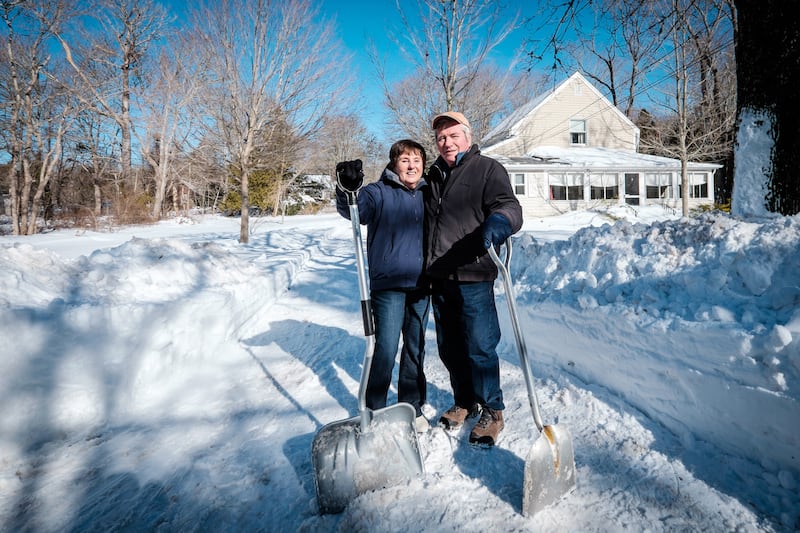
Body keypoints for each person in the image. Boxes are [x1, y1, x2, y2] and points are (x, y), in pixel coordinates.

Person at [424, 111, 523, 446]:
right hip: (441, 276)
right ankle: (465, 401)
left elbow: (509, 206)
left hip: (474, 273)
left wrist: (501, 222)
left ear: (467, 137)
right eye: (441, 138)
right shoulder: (434, 174)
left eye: (453, 136)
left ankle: (493, 410)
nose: (447, 142)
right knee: (450, 347)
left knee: (480, 346)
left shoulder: (487, 169)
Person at [335, 140, 431, 432]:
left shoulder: (429, 193)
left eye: (416, 160)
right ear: (393, 164)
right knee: (386, 349)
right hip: (388, 285)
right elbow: (355, 210)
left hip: (422, 283)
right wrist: (346, 188)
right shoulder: (377, 192)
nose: (412, 166)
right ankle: (374, 407)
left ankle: (411, 406)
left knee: (415, 348)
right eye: (405, 160)